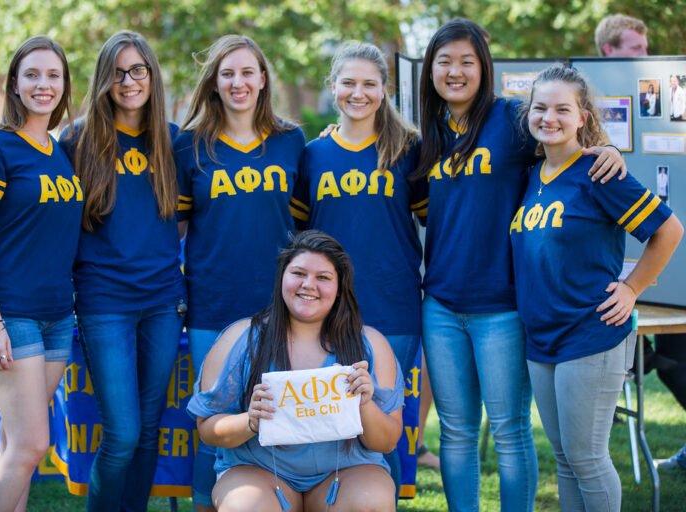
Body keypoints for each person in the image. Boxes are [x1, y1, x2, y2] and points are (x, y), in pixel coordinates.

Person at [413, 19, 626, 512]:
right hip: (441, 306)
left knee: (509, 432)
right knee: (456, 431)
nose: (455, 71)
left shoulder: (511, 120)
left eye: (467, 60)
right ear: (430, 70)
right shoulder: (429, 134)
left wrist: (606, 145)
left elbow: (568, 143)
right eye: (444, 61)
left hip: (504, 308)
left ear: (484, 67)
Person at [511, 64, 683, 510]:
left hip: (590, 333)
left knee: (587, 458)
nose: (549, 118)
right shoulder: (533, 175)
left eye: (562, 109)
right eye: (541, 108)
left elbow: (669, 231)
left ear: (583, 117)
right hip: (541, 338)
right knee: (566, 459)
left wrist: (631, 288)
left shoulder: (599, 171)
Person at [174, 34, 306, 511]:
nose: (238, 82)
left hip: (280, 309)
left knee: (280, 421)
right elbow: (178, 229)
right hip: (213, 307)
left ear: (263, 78)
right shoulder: (189, 146)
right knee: (215, 425)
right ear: (214, 82)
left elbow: (303, 224)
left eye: (248, 72)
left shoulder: (292, 141)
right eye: (228, 73)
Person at [58, 31, 186, 511]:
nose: (129, 81)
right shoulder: (75, 140)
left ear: (151, 75)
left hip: (162, 301)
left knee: (149, 429)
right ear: (104, 79)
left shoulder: (174, 141)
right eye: (118, 71)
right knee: (122, 434)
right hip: (104, 303)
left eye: (138, 70)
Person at [187, 230, 404, 512]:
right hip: (259, 470)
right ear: (282, 278)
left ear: (340, 287)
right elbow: (208, 430)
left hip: (344, 473)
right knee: (246, 506)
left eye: (323, 277)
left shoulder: (370, 343)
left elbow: (386, 442)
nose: (308, 285)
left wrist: (364, 405)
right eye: (298, 273)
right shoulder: (240, 339)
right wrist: (250, 421)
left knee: (371, 501)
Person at [292, 41, 425, 495]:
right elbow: (298, 234)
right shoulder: (311, 155)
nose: (358, 92)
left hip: (393, 306)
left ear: (384, 91)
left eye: (370, 83)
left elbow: (432, 218)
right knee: (328, 420)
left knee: (384, 424)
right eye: (348, 82)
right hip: (326, 311)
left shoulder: (407, 151)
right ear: (333, 87)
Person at [0, 36, 80, 511]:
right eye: (32, 74)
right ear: (14, 83)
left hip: (57, 315)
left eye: (53, 75)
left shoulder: (60, 149)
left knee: (15, 448)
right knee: (32, 445)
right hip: (9, 314)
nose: (43, 85)